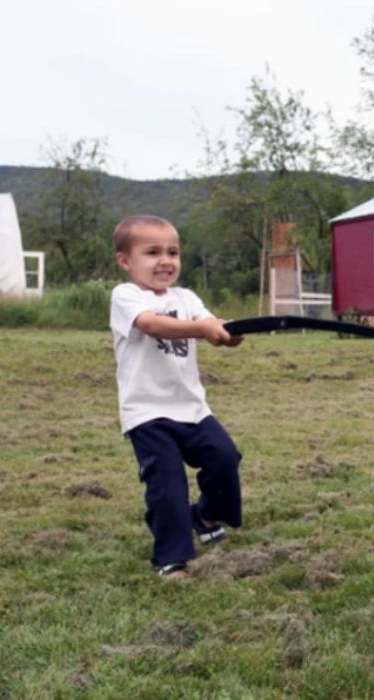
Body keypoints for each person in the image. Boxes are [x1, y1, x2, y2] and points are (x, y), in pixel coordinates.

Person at [109, 214, 245, 579]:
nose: (166, 260)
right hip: (147, 414)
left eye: (173, 252)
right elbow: (152, 324)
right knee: (167, 483)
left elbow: (211, 323)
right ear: (125, 260)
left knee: (224, 457)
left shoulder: (186, 298)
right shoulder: (126, 296)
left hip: (192, 408)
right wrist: (203, 329)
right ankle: (171, 559)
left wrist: (228, 333)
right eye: (152, 252)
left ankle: (206, 515)